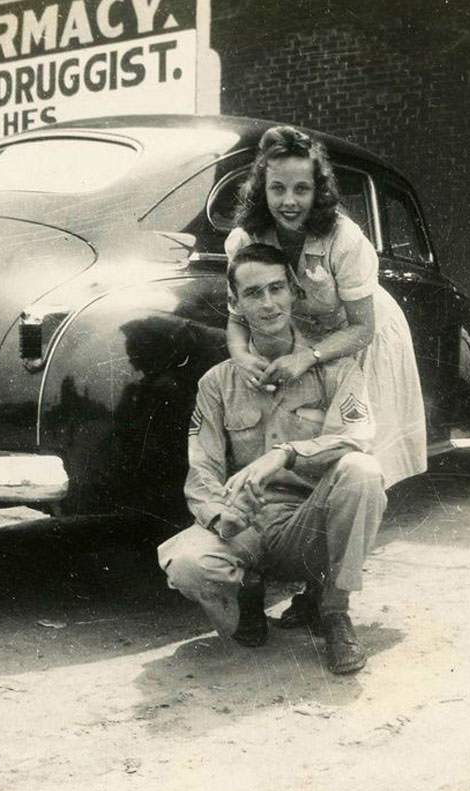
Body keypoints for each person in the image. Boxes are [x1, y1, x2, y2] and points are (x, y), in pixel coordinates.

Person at [157, 244, 387, 674]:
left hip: (308, 522)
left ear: (295, 292)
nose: (267, 303)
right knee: (188, 565)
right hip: (246, 524)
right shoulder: (217, 382)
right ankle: (249, 592)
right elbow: (201, 468)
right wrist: (220, 515)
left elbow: (357, 439)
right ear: (235, 303)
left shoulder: (337, 369)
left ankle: (334, 610)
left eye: (277, 289)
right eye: (253, 293)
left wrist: (286, 455)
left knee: (362, 471)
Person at [225, 125, 427, 496]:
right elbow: (237, 315)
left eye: (301, 189)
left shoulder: (345, 239)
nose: (289, 201)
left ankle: (359, 516)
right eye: (277, 188)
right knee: (306, 427)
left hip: (362, 334)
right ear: (261, 189)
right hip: (308, 336)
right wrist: (239, 353)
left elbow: (362, 327)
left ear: (318, 191)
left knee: (359, 441)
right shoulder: (244, 239)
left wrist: (309, 356)